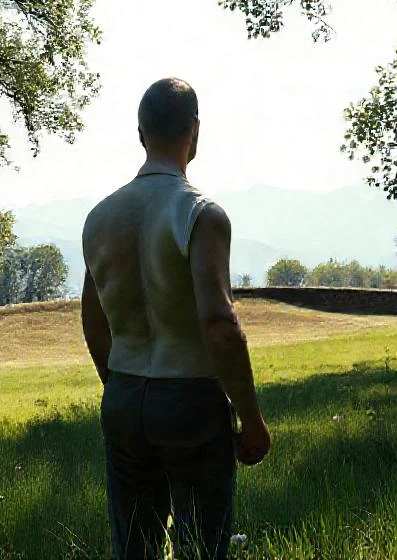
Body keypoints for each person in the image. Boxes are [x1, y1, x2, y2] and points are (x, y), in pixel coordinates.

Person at [81, 78, 271, 560]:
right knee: (200, 546)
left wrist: (121, 386)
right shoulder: (201, 214)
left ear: (140, 134)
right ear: (195, 132)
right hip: (190, 398)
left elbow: (94, 320)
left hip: (124, 395)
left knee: (136, 548)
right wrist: (250, 419)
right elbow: (219, 322)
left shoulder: (99, 218)